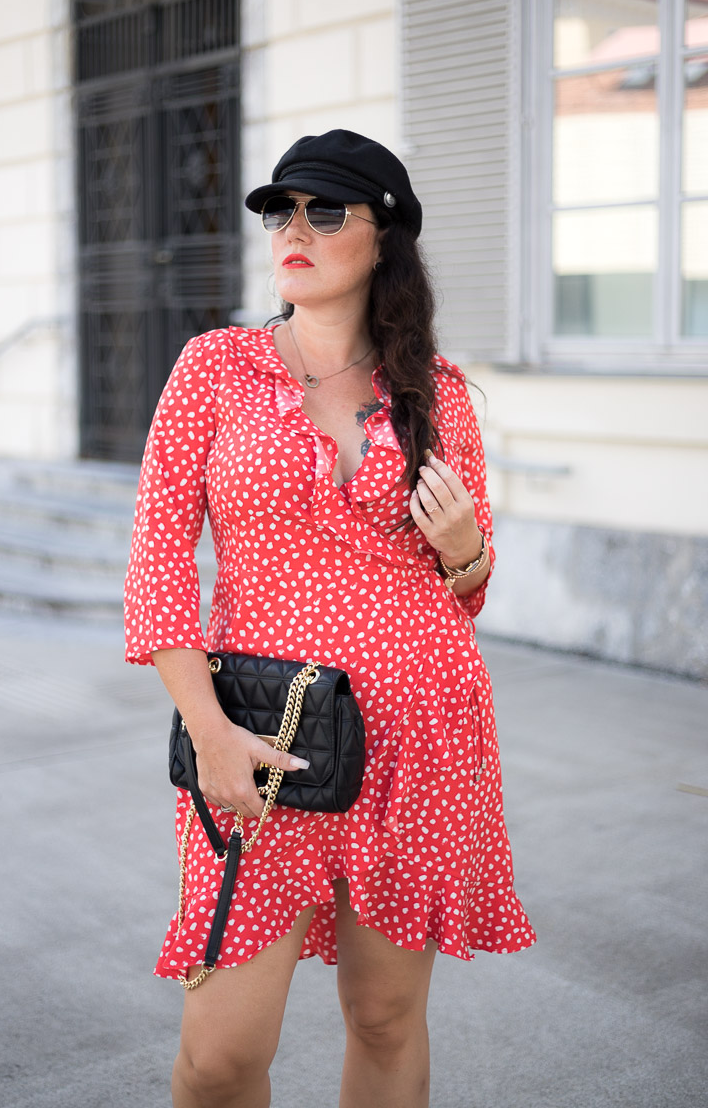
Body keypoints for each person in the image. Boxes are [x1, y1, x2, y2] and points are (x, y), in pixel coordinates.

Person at [124, 129, 536, 1108]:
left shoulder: (433, 394)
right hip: (258, 740)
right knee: (220, 1056)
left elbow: (465, 592)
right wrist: (207, 731)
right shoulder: (213, 369)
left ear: (384, 237)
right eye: (281, 209)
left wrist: (466, 543)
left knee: (385, 1019)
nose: (292, 229)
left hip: (418, 739)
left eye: (324, 210)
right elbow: (154, 566)